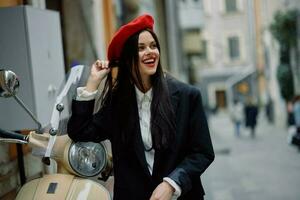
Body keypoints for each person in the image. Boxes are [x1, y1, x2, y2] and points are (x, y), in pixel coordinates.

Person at [67, 14, 214, 200]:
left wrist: (171, 184)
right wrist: (92, 83)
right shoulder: (118, 103)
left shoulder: (187, 96)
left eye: (153, 46)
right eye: (141, 48)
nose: (151, 52)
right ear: (127, 59)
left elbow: (202, 152)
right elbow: (81, 132)